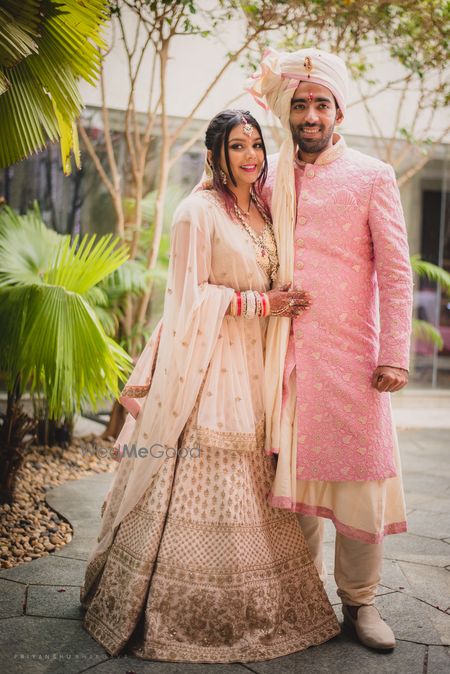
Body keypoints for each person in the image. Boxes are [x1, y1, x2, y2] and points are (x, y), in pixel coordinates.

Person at [80, 109, 340, 663]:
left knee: (253, 480)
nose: (250, 156)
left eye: (255, 146)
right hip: (206, 366)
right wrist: (261, 303)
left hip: (254, 364)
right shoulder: (195, 212)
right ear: (215, 154)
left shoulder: (263, 209)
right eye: (237, 146)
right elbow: (187, 300)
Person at [249, 49, 413, 651]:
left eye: (321, 103)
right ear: (286, 113)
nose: (310, 113)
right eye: (299, 103)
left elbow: (396, 273)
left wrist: (393, 353)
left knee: (360, 485)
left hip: (354, 362)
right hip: (284, 359)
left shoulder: (372, 175)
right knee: (291, 487)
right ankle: (302, 598)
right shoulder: (268, 178)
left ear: (338, 112)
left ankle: (361, 605)